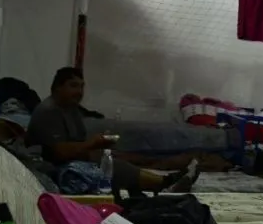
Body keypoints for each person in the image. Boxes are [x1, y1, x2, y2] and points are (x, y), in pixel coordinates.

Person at [27, 67, 198, 195]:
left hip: (73, 159)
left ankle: (166, 173)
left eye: (82, 87)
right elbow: (58, 152)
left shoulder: (71, 109)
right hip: (55, 169)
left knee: (115, 155)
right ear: (57, 87)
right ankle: (163, 183)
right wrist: (92, 144)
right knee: (109, 164)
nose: (79, 92)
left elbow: (78, 142)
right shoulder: (48, 111)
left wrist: (99, 145)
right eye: (73, 86)